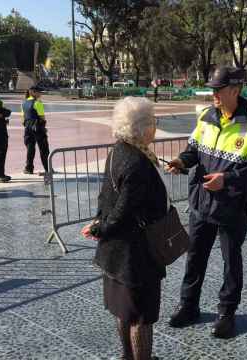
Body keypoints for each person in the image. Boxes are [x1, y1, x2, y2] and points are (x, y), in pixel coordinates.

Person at [165, 66, 247, 339]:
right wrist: (180, 161)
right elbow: (193, 152)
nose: (213, 94)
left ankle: (227, 313)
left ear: (235, 90)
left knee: (230, 262)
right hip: (201, 203)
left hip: (232, 209)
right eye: (212, 88)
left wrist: (226, 180)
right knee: (194, 257)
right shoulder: (205, 117)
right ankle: (189, 306)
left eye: (218, 89)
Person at [81, 97, 166, 360]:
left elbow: (106, 195)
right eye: (153, 121)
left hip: (116, 253)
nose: (155, 126)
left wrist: (98, 222)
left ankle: (127, 356)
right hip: (135, 254)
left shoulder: (119, 150)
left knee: (124, 310)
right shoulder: (138, 163)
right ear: (142, 128)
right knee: (141, 317)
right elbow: (122, 212)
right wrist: (100, 228)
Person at [21, 85, 50, 176]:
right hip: (37, 128)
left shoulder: (24, 103)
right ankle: (48, 168)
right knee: (44, 149)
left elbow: (23, 118)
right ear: (32, 92)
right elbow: (42, 117)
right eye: (38, 92)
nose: (40, 93)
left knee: (30, 149)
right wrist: (43, 127)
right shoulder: (37, 103)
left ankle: (28, 168)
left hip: (28, 128)